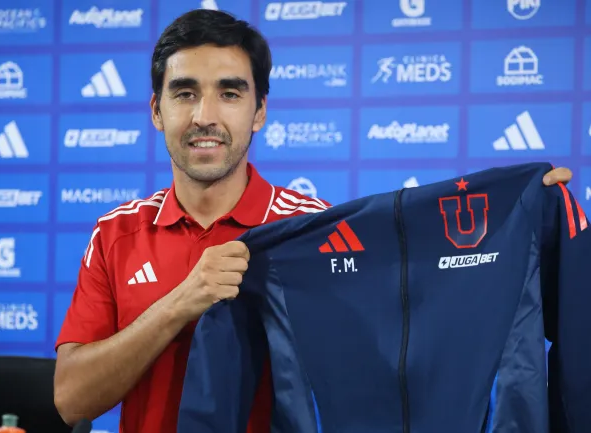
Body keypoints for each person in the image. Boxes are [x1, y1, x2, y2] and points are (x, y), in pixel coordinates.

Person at [52, 8, 575, 433]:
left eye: (230, 93)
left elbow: (416, 304)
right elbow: (71, 400)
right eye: (185, 92)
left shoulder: (316, 232)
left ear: (259, 112)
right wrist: (179, 303)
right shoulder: (116, 233)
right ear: (156, 110)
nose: (204, 115)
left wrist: (520, 211)